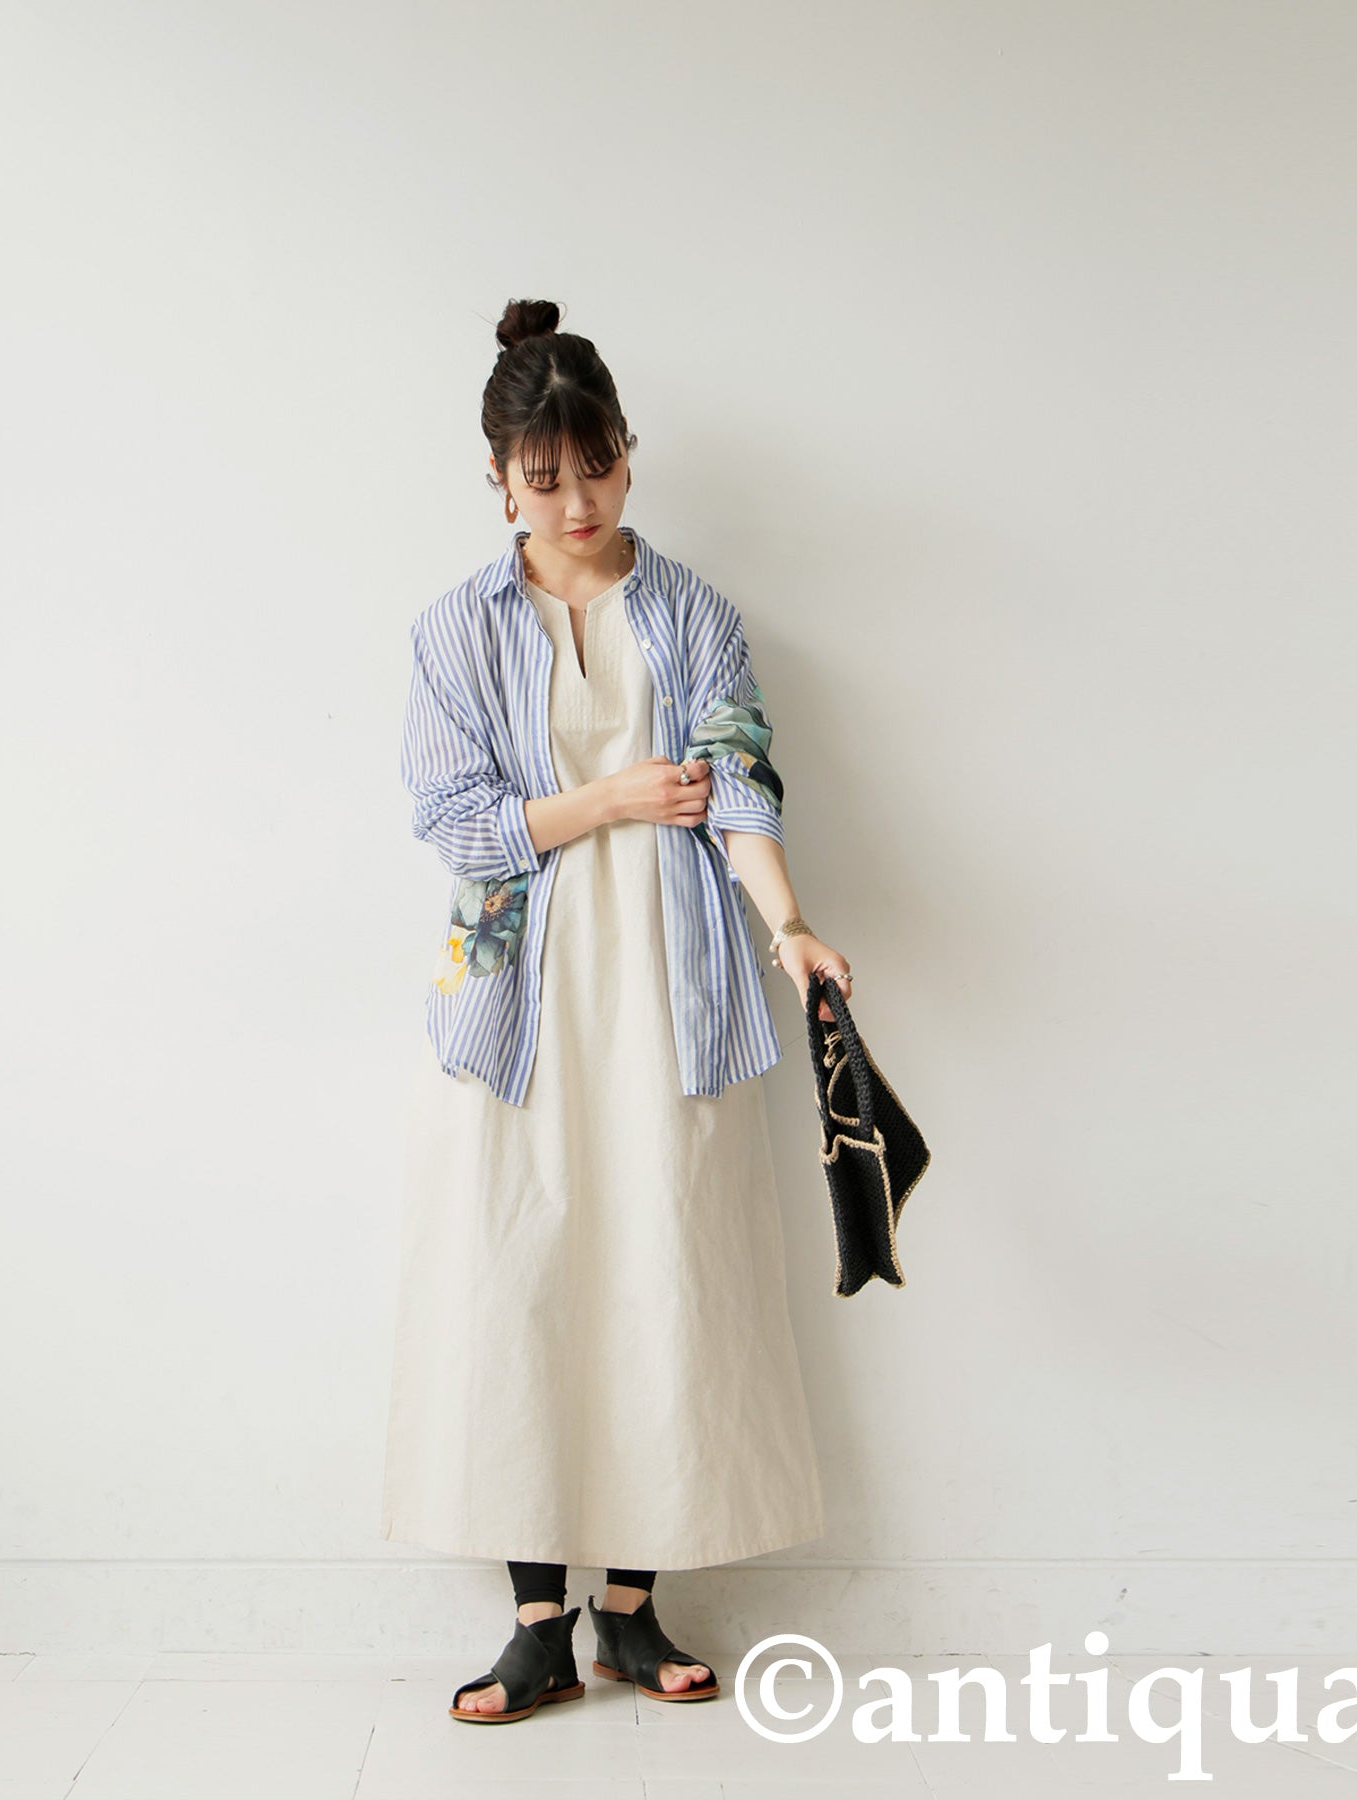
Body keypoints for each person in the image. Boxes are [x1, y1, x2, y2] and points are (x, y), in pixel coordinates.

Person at [379, 297, 854, 1724]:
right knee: (518, 1278)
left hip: (673, 983)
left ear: (630, 453)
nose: (576, 503)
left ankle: (633, 1614)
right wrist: (613, 798)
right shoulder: (454, 628)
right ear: (497, 480)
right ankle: (536, 1621)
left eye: (597, 469)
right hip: (516, 1005)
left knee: (665, 1267)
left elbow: (741, 781)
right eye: (544, 479)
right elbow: (456, 823)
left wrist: (790, 929)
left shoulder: (696, 612)